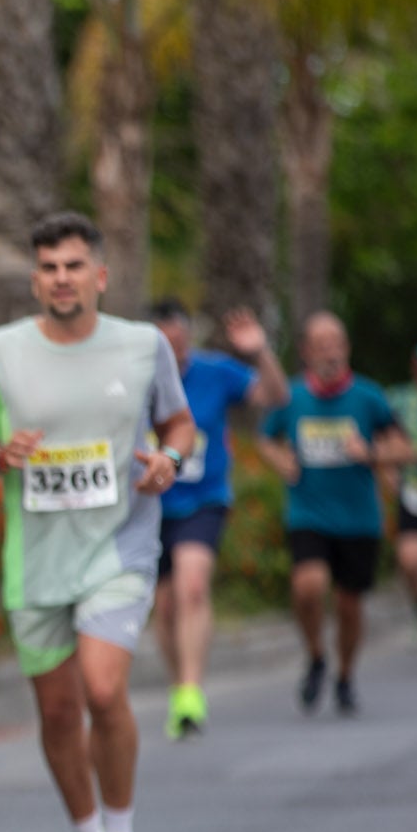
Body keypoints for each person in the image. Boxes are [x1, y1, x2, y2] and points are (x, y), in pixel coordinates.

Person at [0, 212, 193, 832]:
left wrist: (168, 459)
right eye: (50, 267)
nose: (62, 277)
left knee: (101, 687)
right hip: (36, 558)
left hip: (119, 546)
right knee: (58, 710)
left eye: (74, 264)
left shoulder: (145, 346)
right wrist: (0, 455)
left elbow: (178, 423)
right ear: (36, 279)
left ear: (100, 275)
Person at [255, 313, 411, 714]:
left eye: (336, 342)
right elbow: (265, 439)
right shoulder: (291, 398)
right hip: (309, 512)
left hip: (359, 518)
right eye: (320, 344)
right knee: (308, 586)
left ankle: (344, 675)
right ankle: (315, 656)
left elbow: (405, 447)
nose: (329, 351)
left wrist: (372, 453)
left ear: (346, 349)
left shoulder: (369, 397)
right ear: (305, 352)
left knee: (348, 604)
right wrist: (280, 460)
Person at [144, 303, 287, 738]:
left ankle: (192, 689)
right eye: (162, 344)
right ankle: (178, 689)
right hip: (150, 507)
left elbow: (277, 397)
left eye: (179, 341)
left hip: (203, 499)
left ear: (188, 338)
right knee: (165, 607)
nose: (173, 352)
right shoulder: (134, 380)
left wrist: (260, 351)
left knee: (193, 584)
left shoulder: (214, 371)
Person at [382, 341, 417, 641]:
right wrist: (388, 470)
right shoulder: (399, 399)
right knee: (410, 560)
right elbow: (384, 442)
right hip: (413, 492)